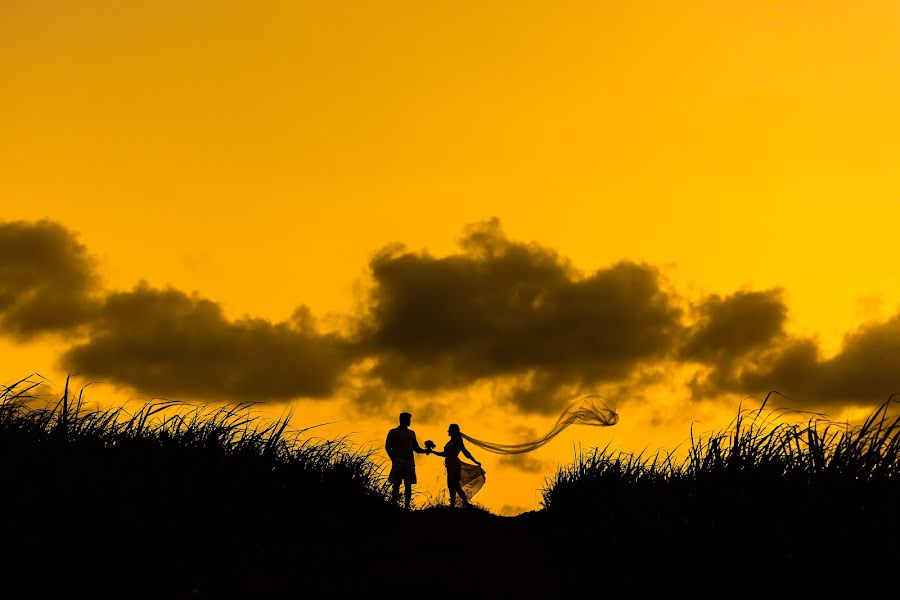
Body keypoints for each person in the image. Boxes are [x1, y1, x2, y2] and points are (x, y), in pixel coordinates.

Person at [429, 423, 482, 508]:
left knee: (455, 484)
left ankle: (462, 503)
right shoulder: (451, 441)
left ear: (453, 431)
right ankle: (456, 504)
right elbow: (445, 454)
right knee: (451, 484)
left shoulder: (458, 440)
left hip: (454, 464)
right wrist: (433, 452)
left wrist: (475, 461)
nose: (448, 431)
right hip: (450, 464)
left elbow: (465, 452)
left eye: (449, 430)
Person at [384, 412, 430, 510]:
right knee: (396, 485)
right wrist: (393, 459)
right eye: (408, 419)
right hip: (398, 462)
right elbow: (388, 447)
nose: (409, 421)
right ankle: (394, 506)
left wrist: (426, 451)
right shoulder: (393, 432)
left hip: (409, 463)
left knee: (408, 486)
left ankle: (406, 507)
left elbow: (416, 448)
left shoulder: (412, 433)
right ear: (403, 420)